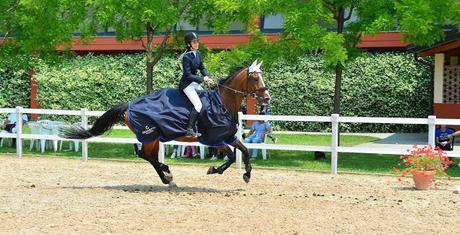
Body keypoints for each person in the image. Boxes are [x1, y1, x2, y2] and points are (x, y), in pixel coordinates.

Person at [180, 32, 215, 137]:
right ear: (189, 44)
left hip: (195, 83)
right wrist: (202, 79)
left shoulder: (198, 54)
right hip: (187, 84)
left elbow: (202, 67)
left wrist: (207, 77)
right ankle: (189, 129)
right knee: (198, 105)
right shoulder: (186, 57)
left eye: (197, 41)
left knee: (206, 100)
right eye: (194, 42)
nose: (197, 43)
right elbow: (188, 75)